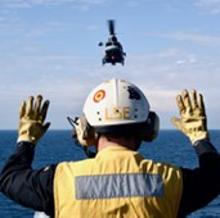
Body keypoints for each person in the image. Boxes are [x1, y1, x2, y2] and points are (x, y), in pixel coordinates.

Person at [0, 78, 220, 218]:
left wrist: (26, 140)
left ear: (85, 130)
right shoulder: (172, 181)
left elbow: (10, 178)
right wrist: (199, 138)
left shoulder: (58, 182)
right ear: (149, 128)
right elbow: (215, 177)